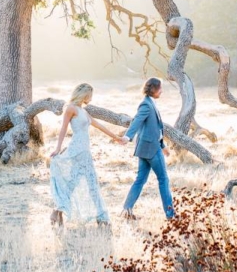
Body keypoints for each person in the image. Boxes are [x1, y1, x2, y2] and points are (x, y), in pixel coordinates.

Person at [49, 82, 124, 227]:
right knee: (88, 182)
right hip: (77, 150)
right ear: (84, 94)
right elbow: (63, 128)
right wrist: (58, 148)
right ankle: (101, 217)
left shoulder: (83, 111)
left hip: (85, 151)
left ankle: (57, 211)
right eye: (90, 95)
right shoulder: (71, 108)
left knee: (79, 182)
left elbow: (99, 126)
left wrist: (116, 138)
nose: (91, 98)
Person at [121, 77, 175, 220]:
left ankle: (126, 210)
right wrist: (128, 136)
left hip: (147, 148)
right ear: (152, 89)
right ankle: (171, 215)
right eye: (160, 88)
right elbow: (137, 121)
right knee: (163, 179)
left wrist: (163, 146)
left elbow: (155, 128)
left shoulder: (151, 103)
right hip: (151, 149)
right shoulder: (146, 104)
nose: (161, 91)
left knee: (140, 180)